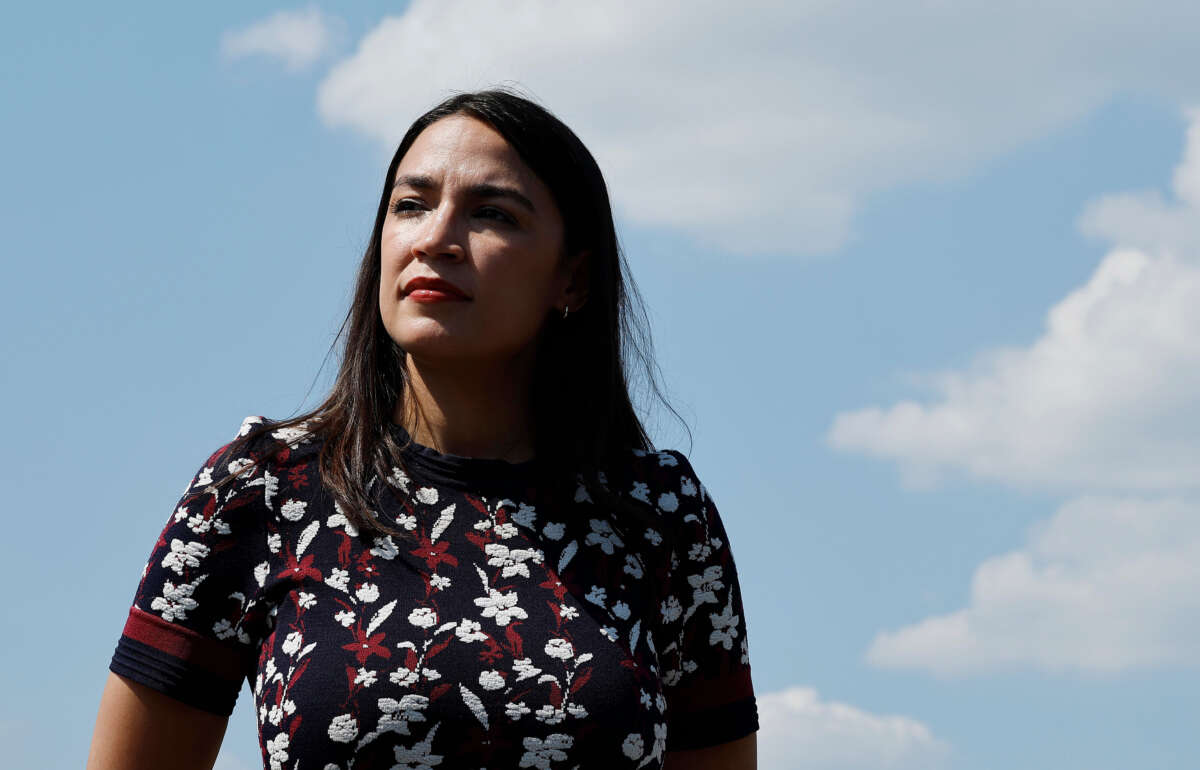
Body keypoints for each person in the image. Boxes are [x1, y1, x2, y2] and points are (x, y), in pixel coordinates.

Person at [87, 89, 757, 769]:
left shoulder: (661, 514)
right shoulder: (259, 490)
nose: (435, 238)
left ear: (573, 279)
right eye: (411, 206)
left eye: (491, 213)